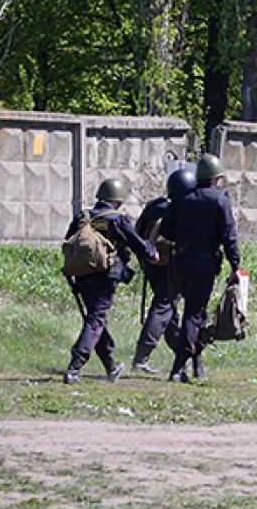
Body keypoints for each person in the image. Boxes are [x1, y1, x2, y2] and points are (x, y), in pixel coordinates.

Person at [62, 178, 158, 383]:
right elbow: (138, 244)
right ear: (118, 199)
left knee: (96, 319)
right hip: (106, 277)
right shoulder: (117, 220)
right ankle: (75, 366)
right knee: (96, 320)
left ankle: (110, 364)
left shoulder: (83, 216)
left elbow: (68, 241)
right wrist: (153, 253)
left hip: (81, 275)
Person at [161, 154, 242, 383]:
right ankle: (178, 367)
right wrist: (235, 265)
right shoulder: (220, 200)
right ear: (216, 178)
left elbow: (166, 231)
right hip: (204, 263)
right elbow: (229, 237)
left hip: (180, 262)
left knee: (197, 313)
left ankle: (197, 364)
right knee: (194, 315)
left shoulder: (182, 198)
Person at [131, 167, 195, 374]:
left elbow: (138, 233)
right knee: (163, 307)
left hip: (152, 265)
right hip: (171, 267)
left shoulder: (153, 206)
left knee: (168, 310)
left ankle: (181, 354)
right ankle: (141, 358)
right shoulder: (182, 209)